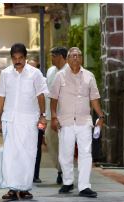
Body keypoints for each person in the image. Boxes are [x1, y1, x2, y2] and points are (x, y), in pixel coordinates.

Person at [0, 43, 48, 201]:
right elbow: (1, 96)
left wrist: (43, 115)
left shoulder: (35, 74)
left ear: (25, 58)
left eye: (20, 58)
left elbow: (40, 95)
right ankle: (12, 189)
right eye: (15, 58)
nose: (17, 61)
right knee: (10, 155)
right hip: (9, 119)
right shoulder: (5, 74)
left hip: (29, 120)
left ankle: (24, 188)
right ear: (11, 58)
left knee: (28, 154)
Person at [49, 47, 103, 198]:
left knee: (86, 153)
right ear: (67, 59)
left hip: (84, 120)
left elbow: (94, 99)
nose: (75, 58)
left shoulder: (89, 76)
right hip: (65, 121)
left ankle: (85, 186)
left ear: (82, 59)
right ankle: (67, 182)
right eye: (72, 56)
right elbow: (53, 99)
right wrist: (53, 117)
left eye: (78, 56)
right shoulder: (60, 76)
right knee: (65, 154)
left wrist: (101, 116)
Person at [45, 46, 68, 185]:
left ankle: (65, 172)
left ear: (60, 56)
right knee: (51, 141)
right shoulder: (50, 71)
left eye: (53, 55)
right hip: (50, 115)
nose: (51, 58)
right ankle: (59, 169)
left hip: (65, 116)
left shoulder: (69, 71)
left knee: (65, 144)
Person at [26, 58, 44, 184]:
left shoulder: (43, 81)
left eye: (34, 67)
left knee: (37, 147)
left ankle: (35, 174)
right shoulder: (21, 81)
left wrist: (44, 117)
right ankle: (25, 174)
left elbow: (45, 100)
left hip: (38, 119)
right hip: (24, 120)